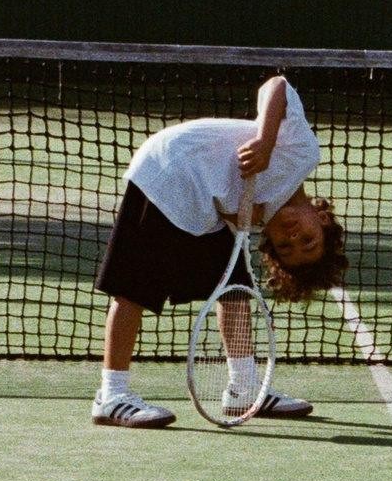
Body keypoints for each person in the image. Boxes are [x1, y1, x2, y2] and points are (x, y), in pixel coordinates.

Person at [91, 73, 348, 427]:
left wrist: (235, 212)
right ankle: (111, 395)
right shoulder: (303, 153)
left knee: (233, 291)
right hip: (170, 169)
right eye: (308, 239)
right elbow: (277, 86)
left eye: (287, 247)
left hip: (199, 202)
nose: (293, 237)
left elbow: (225, 191)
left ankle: (244, 388)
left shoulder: (256, 214)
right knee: (133, 290)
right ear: (321, 217)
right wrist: (265, 140)